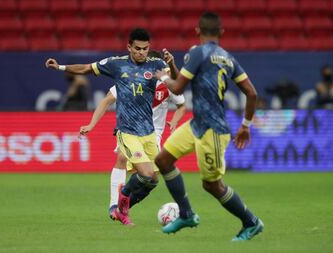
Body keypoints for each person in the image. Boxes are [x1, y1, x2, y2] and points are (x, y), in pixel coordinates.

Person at [154, 12, 264, 241]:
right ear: (221, 33)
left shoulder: (197, 53)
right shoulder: (228, 57)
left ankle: (251, 222)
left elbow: (176, 88)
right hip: (196, 125)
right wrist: (246, 125)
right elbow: (252, 93)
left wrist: (163, 76)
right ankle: (186, 214)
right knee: (163, 160)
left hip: (212, 130)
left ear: (197, 31)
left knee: (212, 185)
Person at [45, 28, 170, 226]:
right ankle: (119, 200)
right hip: (127, 132)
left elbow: (178, 84)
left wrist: (171, 66)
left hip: (149, 133)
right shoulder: (116, 64)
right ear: (129, 47)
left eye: (145, 49)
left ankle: (122, 209)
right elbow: (86, 68)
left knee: (152, 180)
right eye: (137, 48)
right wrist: (60, 67)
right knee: (143, 172)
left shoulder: (157, 65)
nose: (141, 52)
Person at [79, 50, 186, 220]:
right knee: (122, 157)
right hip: (130, 127)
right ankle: (114, 205)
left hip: (153, 134)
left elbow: (181, 105)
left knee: (151, 178)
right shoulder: (130, 77)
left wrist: (174, 122)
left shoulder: (168, 86)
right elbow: (107, 99)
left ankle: (125, 205)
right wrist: (92, 124)